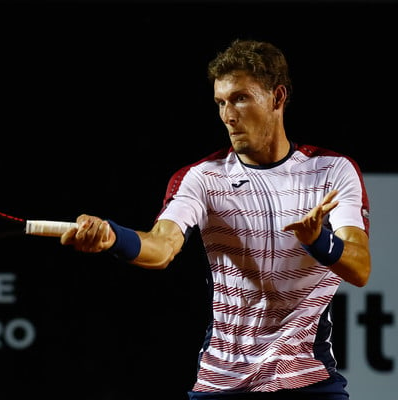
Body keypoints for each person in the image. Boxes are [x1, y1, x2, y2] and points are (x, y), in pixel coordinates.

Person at [60, 39, 371, 399]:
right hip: (223, 383)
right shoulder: (202, 178)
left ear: (278, 98)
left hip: (307, 379)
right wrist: (113, 238)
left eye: (240, 98)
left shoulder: (333, 171)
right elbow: (161, 247)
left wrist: (319, 240)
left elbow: (360, 267)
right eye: (221, 103)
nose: (228, 115)